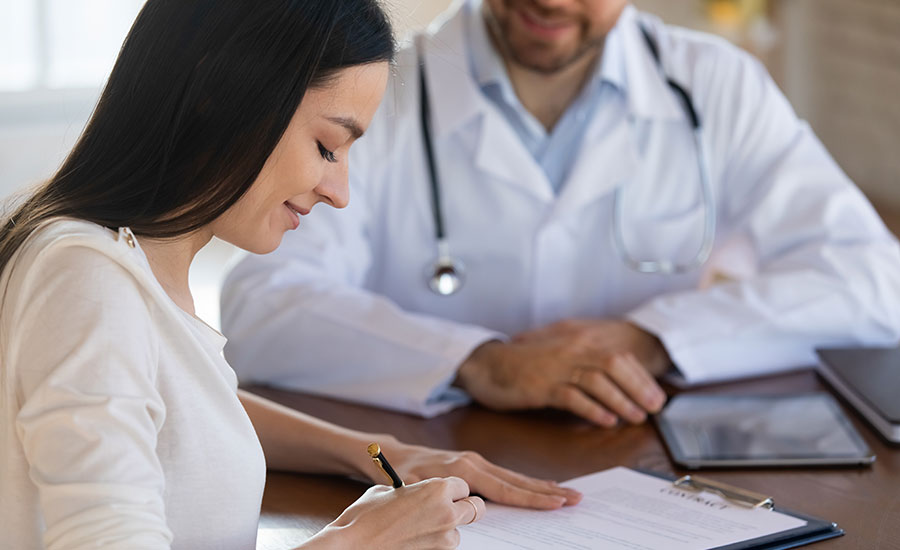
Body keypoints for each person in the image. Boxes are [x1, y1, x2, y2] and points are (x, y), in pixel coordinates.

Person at [0, 1, 581, 549]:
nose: (341, 192)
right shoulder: (89, 279)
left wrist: (378, 452)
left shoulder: (121, 266)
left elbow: (177, 407)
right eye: (328, 146)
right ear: (222, 95)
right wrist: (354, 540)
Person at [220, 0, 900, 425]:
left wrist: (654, 337)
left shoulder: (716, 86)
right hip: (425, 462)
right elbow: (263, 304)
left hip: (637, 462)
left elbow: (875, 282)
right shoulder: (386, 88)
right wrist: (477, 362)